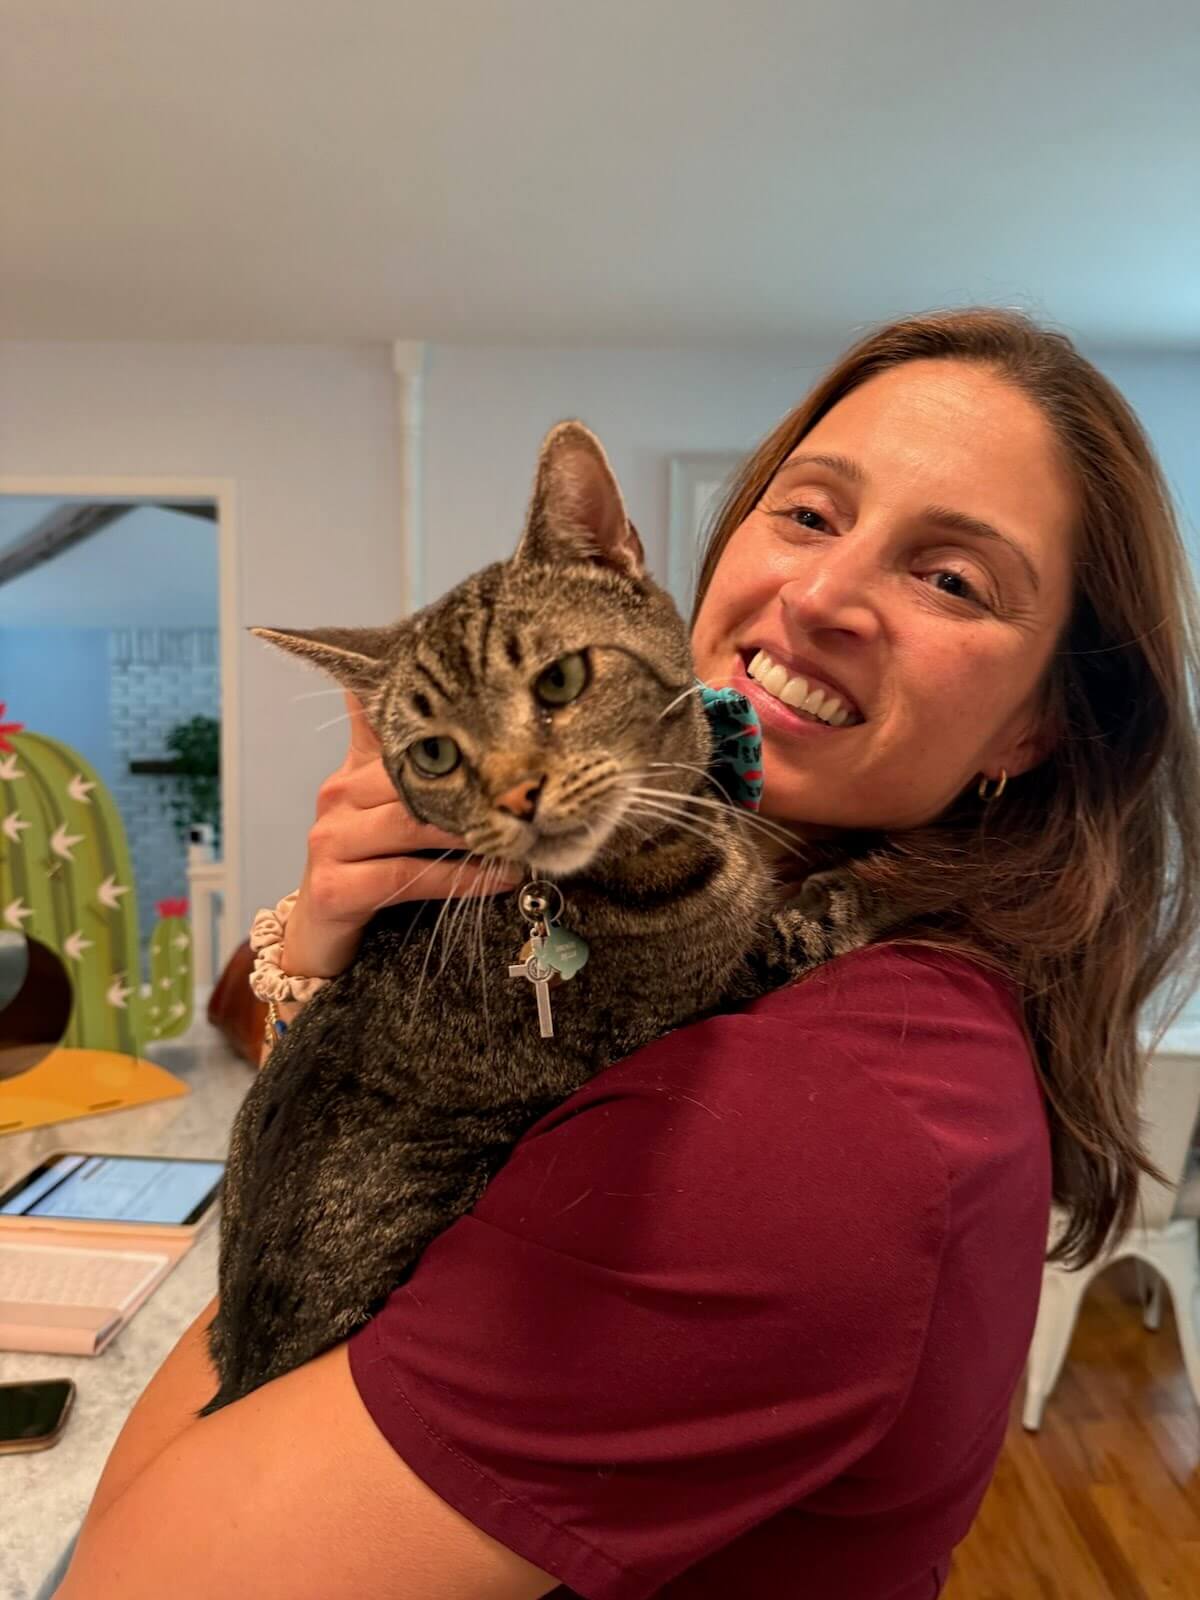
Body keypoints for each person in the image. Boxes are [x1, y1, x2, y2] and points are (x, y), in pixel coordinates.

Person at [53, 308, 1200, 1600]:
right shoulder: (754, 892)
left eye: (952, 579)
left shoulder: (811, 1118)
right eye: (809, 513)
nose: (821, 595)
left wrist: (342, 1054)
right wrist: (325, 957)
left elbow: (131, 1578)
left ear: (1040, 724)